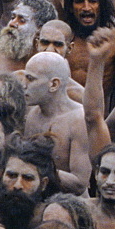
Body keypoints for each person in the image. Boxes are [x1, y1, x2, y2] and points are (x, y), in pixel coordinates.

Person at [22, 51, 90, 180]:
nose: (24, 85)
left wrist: (39, 169)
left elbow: (80, 181)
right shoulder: (32, 115)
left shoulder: (79, 120)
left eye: (30, 79)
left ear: (53, 84)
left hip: (69, 198)